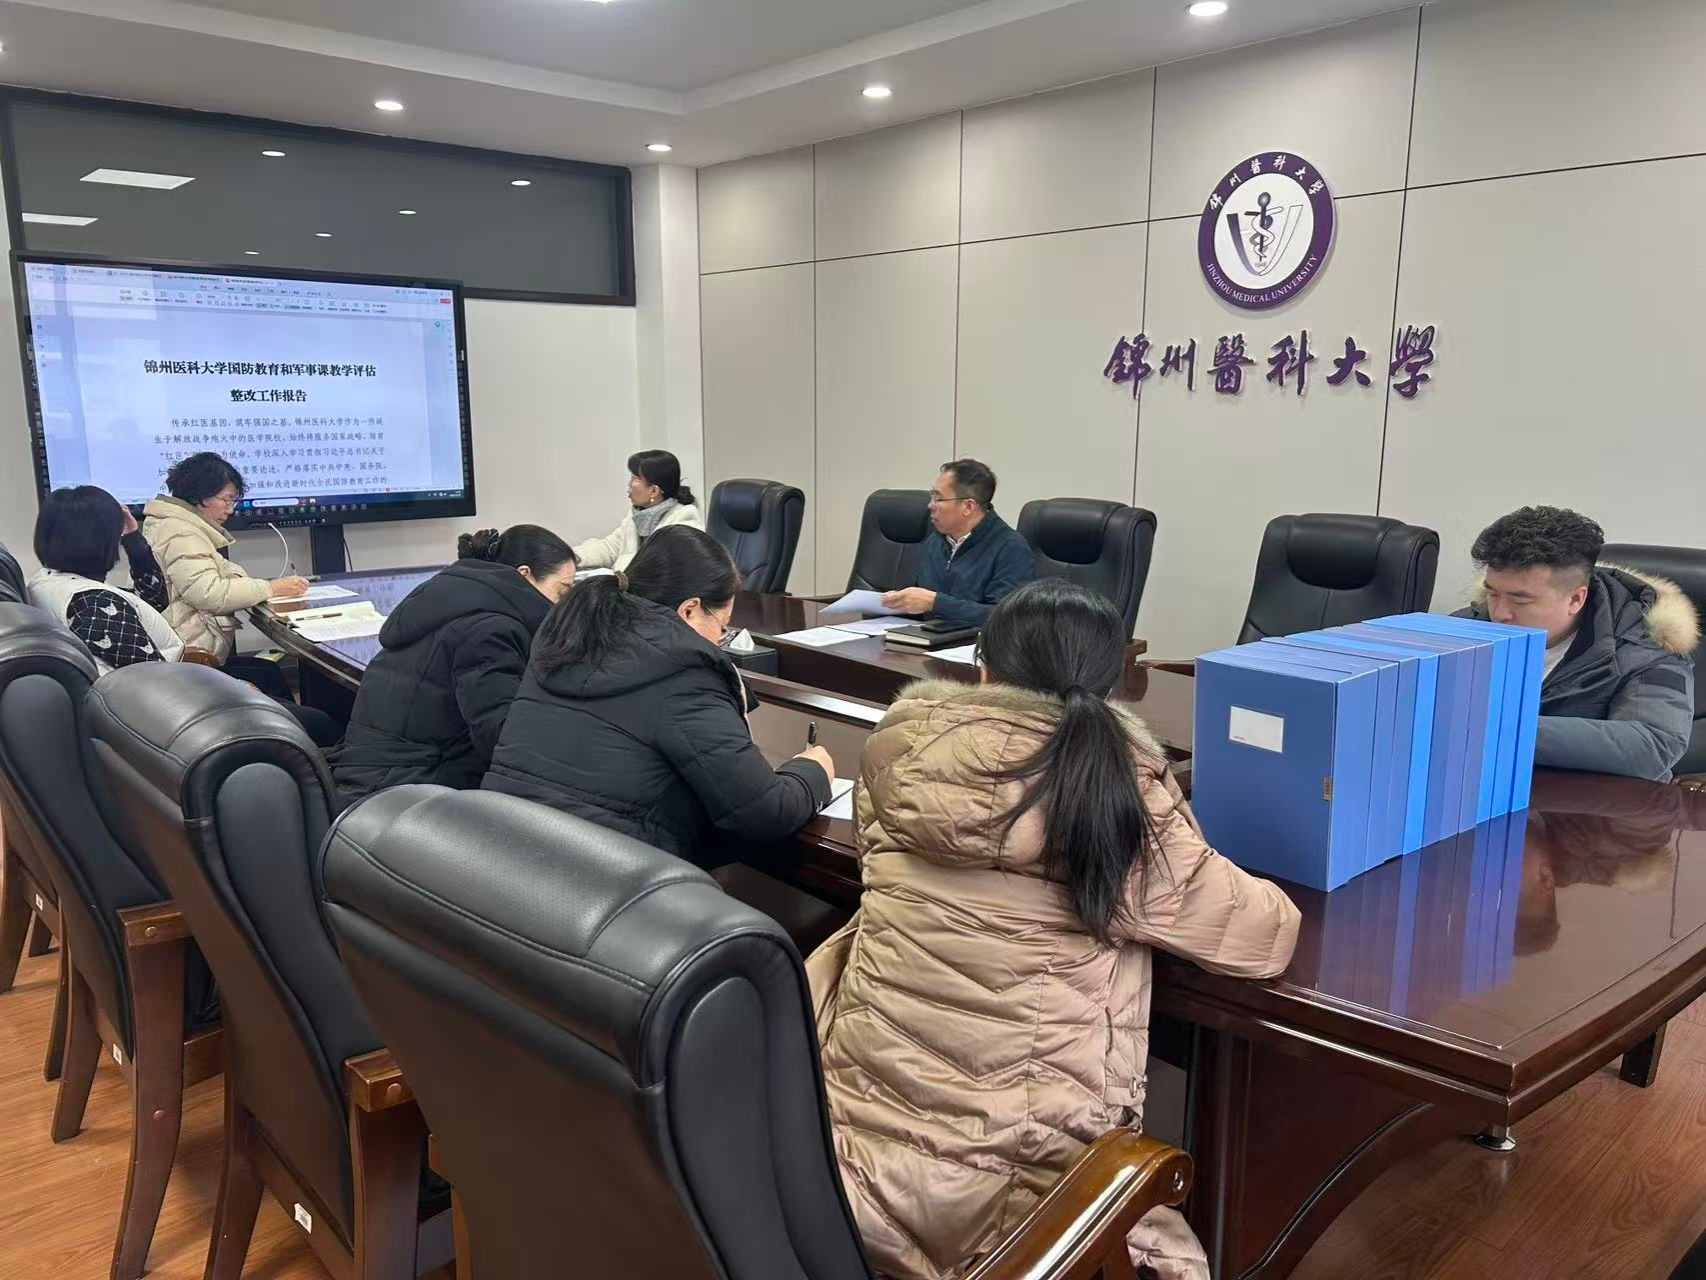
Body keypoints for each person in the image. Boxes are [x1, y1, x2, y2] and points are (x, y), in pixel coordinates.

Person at [809, 578, 1300, 1280]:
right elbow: (1265, 937)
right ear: (1115, 686)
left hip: (835, 1152)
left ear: (982, 667)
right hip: (1009, 1202)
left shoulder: (898, 750)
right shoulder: (1107, 790)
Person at [483, 524, 833, 864]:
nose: (719, 639)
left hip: (499, 857)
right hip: (601, 878)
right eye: (722, 625)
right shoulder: (686, 673)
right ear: (690, 609)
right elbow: (765, 813)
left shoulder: (566, 634)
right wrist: (813, 771)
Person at [28, 485, 339, 747]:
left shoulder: (51, 581)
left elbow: (155, 599)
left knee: (270, 680)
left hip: (163, 693)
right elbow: (158, 683)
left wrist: (134, 539)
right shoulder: (93, 604)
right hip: (174, 710)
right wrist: (236, 687)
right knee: (320, 723)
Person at [330, 524, 578, 799]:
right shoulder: (489, 629)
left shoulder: (449, 597)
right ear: (525, 574)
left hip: (371, 769)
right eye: (562, 592)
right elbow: (501, 736)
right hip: (405, 788)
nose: (563, 606)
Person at [1458, 505, 1698, 781]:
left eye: (1520, 600)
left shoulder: (1646, 646)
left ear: (1576, 599)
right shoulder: (1468, 627)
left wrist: (1501, 731)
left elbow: (1651, 745)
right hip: (1483, 788)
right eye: (1493, 594)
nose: (1500, 613)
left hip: (1598, 803)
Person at [142, 451, 312, 703]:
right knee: (299, 706)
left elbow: (228, 571)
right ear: (201, 497)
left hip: (191, 653)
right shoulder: (181, 534)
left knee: (269, 673)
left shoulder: (178, 526)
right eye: (227, 499)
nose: (231, 510)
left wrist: (238, 582)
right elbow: (209, 594)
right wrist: (271, 589)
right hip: (191, 662)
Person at [880, 458, 1034, 628]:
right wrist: (900, 601)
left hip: (974, 642)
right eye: (932, 495)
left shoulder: (1010, 547)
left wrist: (935, 603)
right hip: (927, 636)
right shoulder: (935, 541)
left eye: (938, 498)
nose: (930, 505)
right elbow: (923, 603)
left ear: (968, 507)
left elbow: (1005, 618)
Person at [573, 449, 705, 572]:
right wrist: (573, 557)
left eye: (634, 478)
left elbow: (672, 572)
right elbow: (610, 547)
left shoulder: (684, 521)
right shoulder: (637, 515)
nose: (629, 484)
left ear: (653, 491)